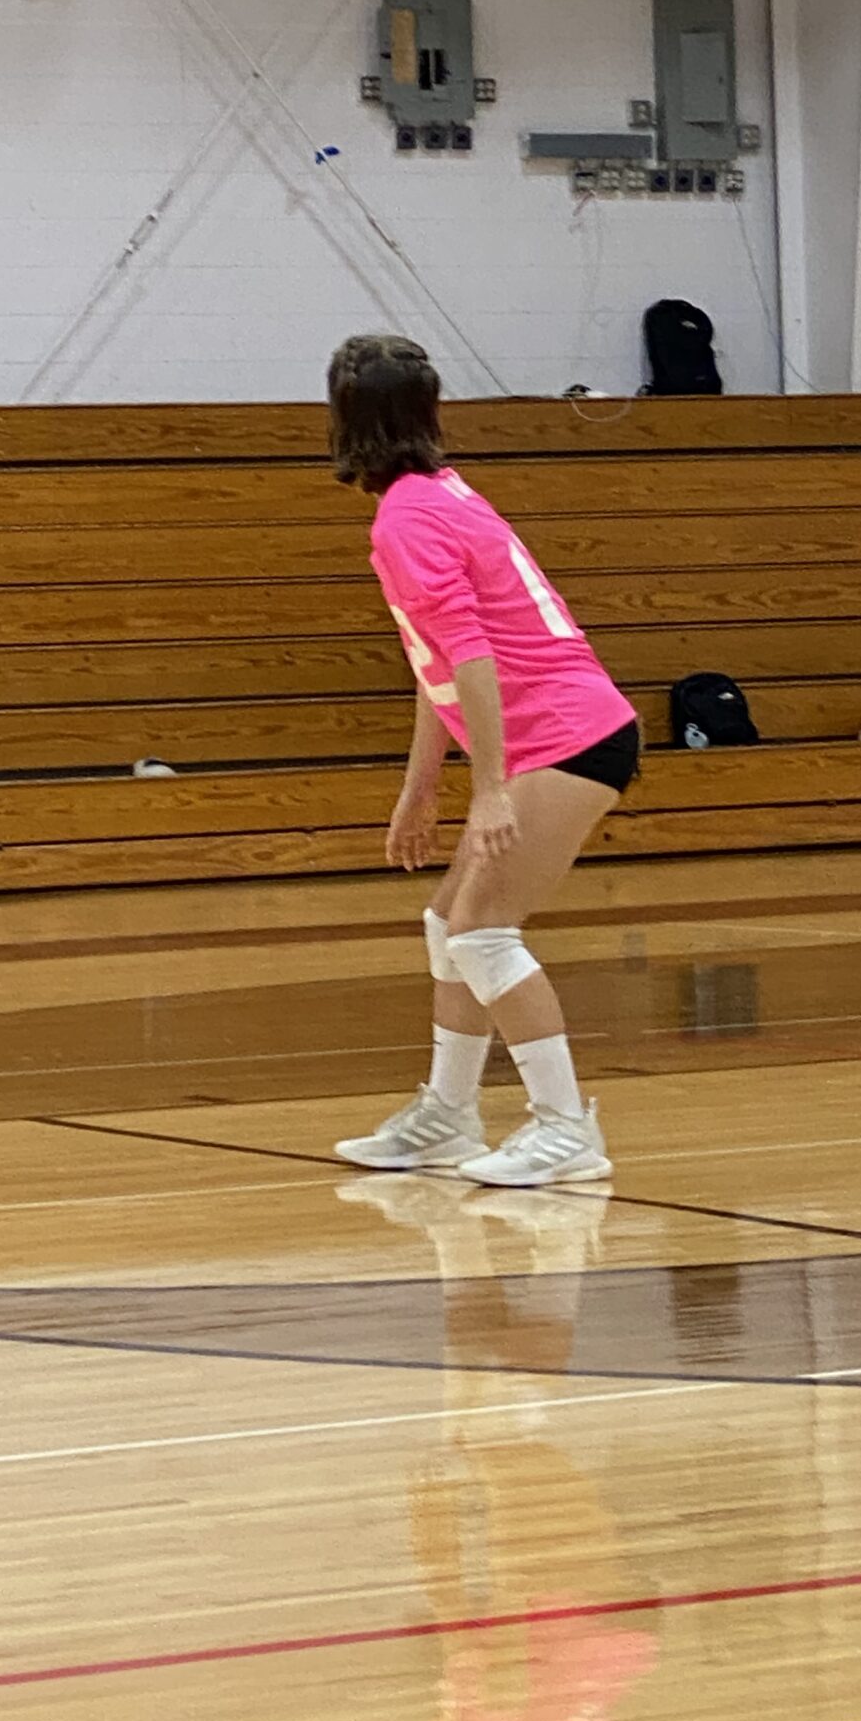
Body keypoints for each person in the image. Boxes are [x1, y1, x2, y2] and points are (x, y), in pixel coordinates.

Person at [326, 332, 639, 1186]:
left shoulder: (407, 520)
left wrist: (490, 790)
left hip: (567, 740)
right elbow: (439, 663)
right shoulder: (444, 495)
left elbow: (472, 659)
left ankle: (566, 1128)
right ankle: (448, 1115)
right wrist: (422, 787)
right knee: (448, 924)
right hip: (555, 736)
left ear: (343, 420)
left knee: (484, 931)